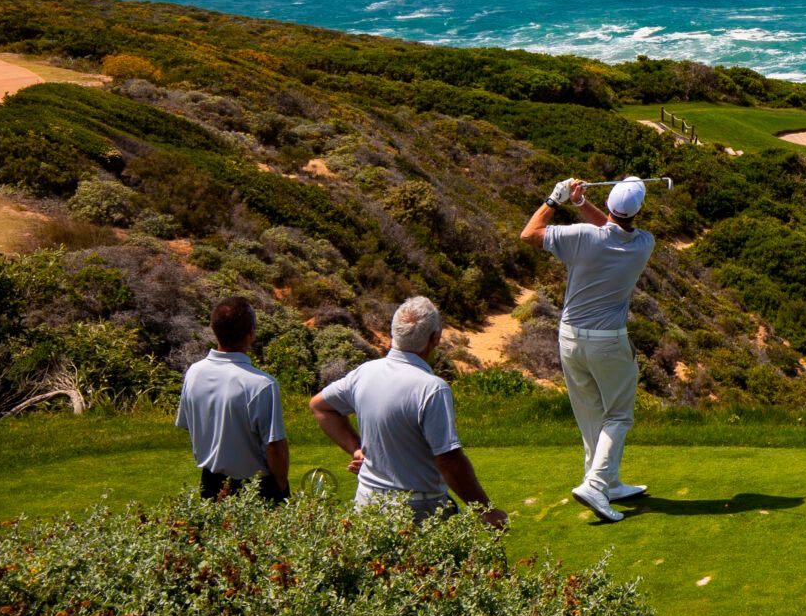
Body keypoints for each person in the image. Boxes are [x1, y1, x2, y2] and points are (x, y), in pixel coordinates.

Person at [521, 174, 657, 523]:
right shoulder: (643, 243)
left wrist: (557, 199)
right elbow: (612, 229)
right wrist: (581, 204)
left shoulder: (580, 236)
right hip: (608, 342)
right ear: (638, 211)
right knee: (618, 415)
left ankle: (605, 482)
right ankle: (596, 484)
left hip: (569, 338)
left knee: (591, 415)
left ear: (610, 203)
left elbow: (530, 233)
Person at [308, 297, 507, 530]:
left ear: (394, 333)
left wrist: (356, 449)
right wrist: (486, 511)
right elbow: (448, 460)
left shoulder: (365, 372)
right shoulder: (432, 388)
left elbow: (320, 406)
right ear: (435, 338)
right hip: (417, 509)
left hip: (367, 502)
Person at [176, 296, 289, 502]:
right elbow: (275, 447)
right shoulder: (262, 384)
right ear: (251, 332)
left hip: (210, 482)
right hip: (254, 487)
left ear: (214, 329)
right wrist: (281, 488)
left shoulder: (194, 372)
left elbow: (187, 424)